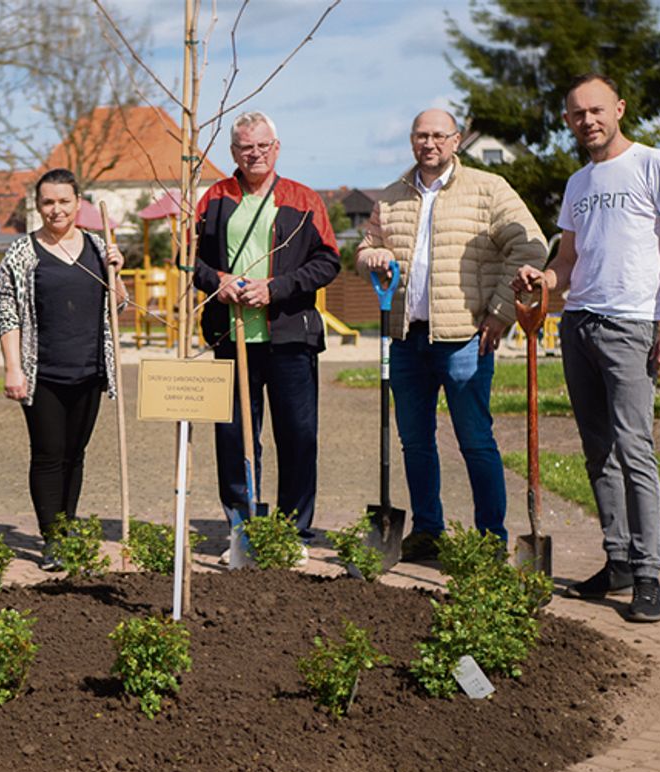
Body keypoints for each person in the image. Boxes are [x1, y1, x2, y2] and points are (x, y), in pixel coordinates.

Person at [513, 74, 660, 622]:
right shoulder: (578, 183)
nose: (587, 120)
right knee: (598, 451)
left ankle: (648, 574)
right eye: (576, 114)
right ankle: (617, 559)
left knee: (635, 450)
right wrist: (543, 281)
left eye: (596, 110)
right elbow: (568, 263)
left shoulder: (655, 164)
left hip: (632, 326)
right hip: (579, 325)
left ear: (618, 108)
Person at [356, 109, 547, 561]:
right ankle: (427, 530)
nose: (430, 144)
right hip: (406, 339)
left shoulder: (488, 190)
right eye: (421, 135)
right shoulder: (392, 195)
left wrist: (501, 312)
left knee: (475, 440)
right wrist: (374, 257)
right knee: (415, 441)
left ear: (457, 140)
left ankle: (489, 539)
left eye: (439, 136)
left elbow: (531, 247)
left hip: (465, 339)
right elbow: (365, 248)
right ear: (411, 140)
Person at [194, 111, 340, 561]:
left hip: (290, 337)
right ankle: (243, 529)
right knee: (235, 435)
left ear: (276, 148)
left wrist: (275, 289)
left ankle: (295, 532)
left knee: (298, 434)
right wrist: (215, 279)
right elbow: (190, 260)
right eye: (243, 147)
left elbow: (328, 261)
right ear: (233, 152)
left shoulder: (303, 199)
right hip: (231, 336)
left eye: (261, 146)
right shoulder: (214, 198)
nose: (253, 154)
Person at [0, 168, 125, 569]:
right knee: (49, 454)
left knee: (76, 454)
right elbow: (6, 312)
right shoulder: (22, 252)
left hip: (89, 369)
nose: (56, 209)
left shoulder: (98, 246)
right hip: (42, 372)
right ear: (38, 206)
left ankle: (66, 530)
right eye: (48, 202)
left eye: (64, 201)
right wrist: (13, 368)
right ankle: (52, 539)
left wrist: (116, 275)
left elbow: (117, 307)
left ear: (78, 203)